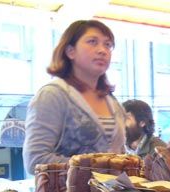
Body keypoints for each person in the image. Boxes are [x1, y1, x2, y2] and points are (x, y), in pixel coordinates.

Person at [23, 20, 126, 174]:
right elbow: (35, 160)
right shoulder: (53, 95)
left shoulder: (112, 101)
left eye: (108, 45)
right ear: (70, 51)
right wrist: (97, 170)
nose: (102, 50)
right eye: (92, 42)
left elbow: (119, 155)